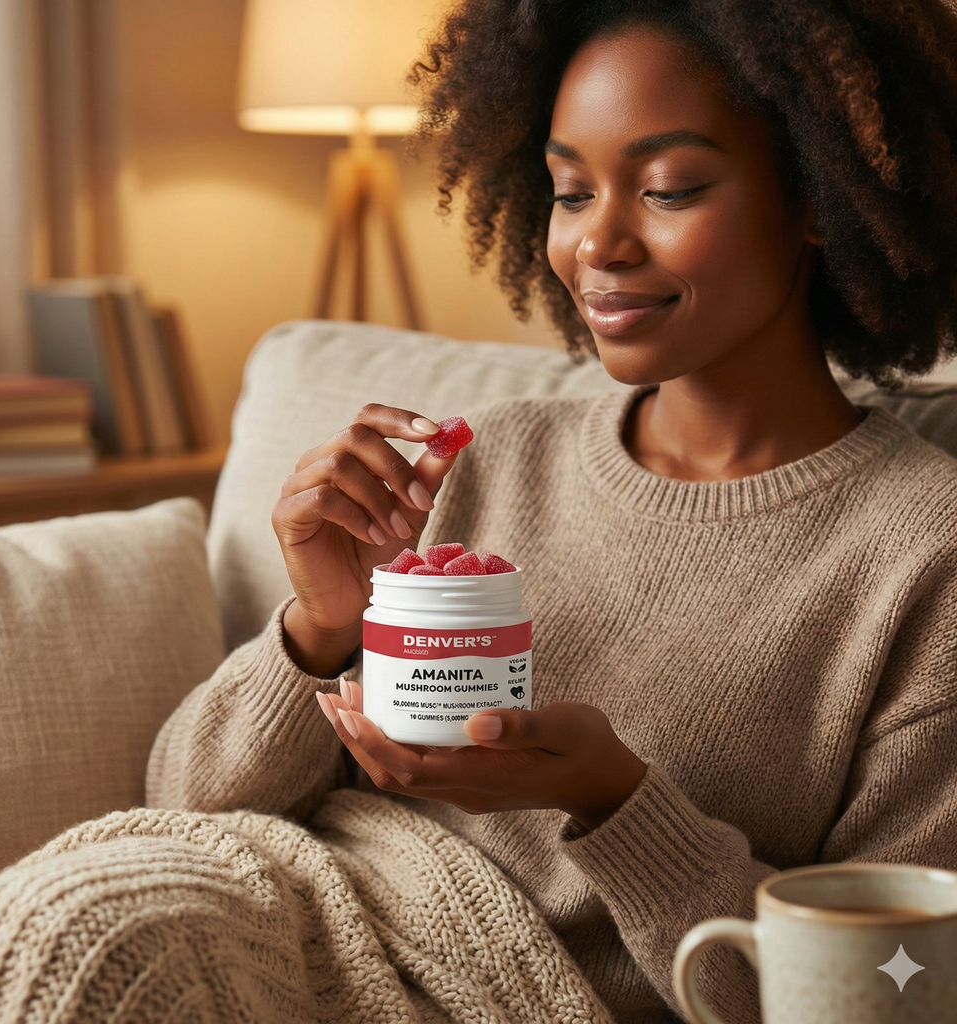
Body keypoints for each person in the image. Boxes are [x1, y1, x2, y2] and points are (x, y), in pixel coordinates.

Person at [148, 1, 957, 1020]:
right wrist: (320, 626)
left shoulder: (925, 555)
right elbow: (180, 806)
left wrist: (615, 801)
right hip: (276, 918)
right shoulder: (479, 459)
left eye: (669, 189)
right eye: (570, 192)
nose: (597, 243)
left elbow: (891, 992)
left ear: (816, 195)